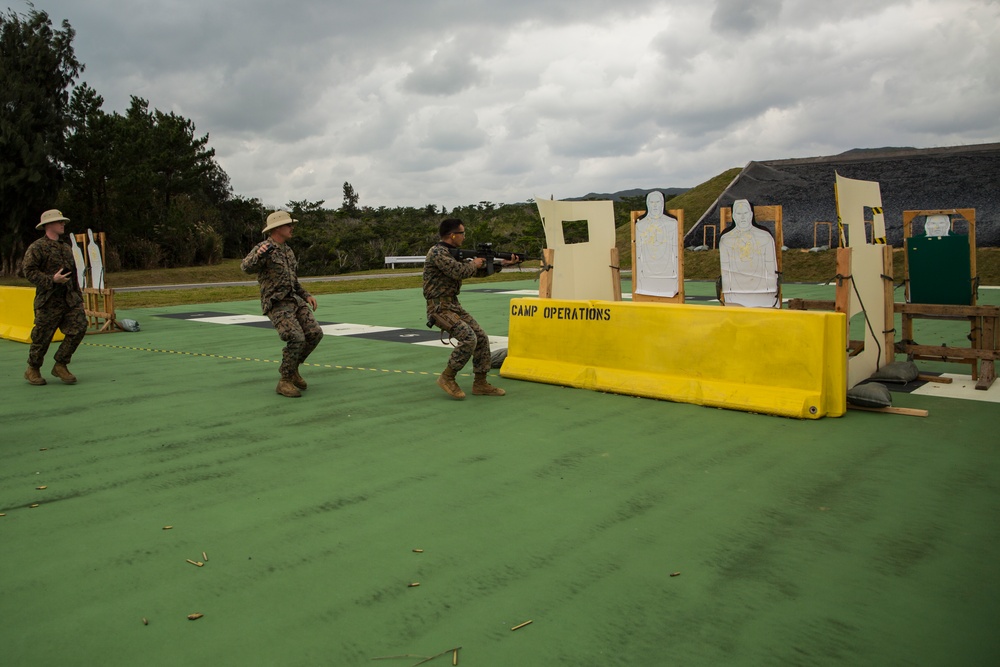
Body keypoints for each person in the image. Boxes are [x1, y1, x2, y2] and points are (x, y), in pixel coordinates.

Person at [424, 218, 517, 399]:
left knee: (481, 337)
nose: (464, 237)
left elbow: (477, 271)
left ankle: (480, 383)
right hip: (439, 307)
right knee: (468, 338)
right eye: (462, 233)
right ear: (452, 235)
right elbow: (460, 271)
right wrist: (474, 263)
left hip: (452, 304)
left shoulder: (453, 252)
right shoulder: (437, 253)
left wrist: (501, 264)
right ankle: (447, 377)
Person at [241, 210, 323, 398]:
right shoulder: (264, 248)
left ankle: (292, 369)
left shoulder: (288, 250)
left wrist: (306, 295)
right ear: (277, 228)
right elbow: (245, 267)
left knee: (315, 333)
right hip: (277, 303)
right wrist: (258, 256)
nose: (292, 228)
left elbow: (293, 280)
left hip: (294, 299)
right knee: (295, 337)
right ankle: (285, 380)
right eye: (288, 225)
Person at [22, 209, 89, 385]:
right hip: (48, 301)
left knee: (80, 327)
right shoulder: (37, 247)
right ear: (48, 225)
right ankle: (33, 369)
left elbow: (73, 276)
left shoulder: (66, 248)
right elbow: (28, 272)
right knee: (42, 337)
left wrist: (79, 299)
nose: (63, 224)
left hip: (69, 299)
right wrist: (52, 279)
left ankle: (61, 364)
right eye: (59, 222)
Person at [718, 199, 778, 307]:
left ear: (751, 215)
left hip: (763, 294)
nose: (742, 217)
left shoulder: (765, 237)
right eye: (738, 214)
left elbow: (770, 268)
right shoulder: (726, 239)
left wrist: (771, 290)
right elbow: (726, 273)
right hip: (735, 295)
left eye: (745, 213)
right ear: (734, 216)